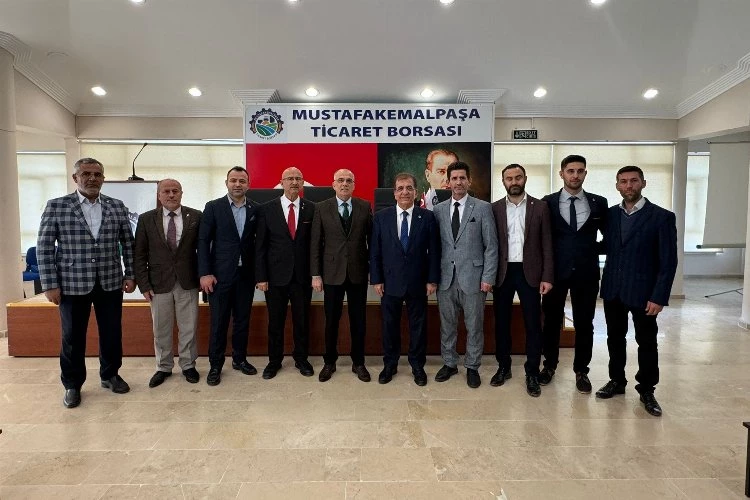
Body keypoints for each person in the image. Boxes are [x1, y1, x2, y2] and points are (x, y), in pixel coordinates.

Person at [37, 157, 135, 408]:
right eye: (86, 174)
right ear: (75, 178)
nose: (92, 178)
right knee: (72, 337)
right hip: (71, 283)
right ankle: (72, 384)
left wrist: (130, 274)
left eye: (97, 174)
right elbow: (45, 247)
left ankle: (110, 375)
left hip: (110, 281)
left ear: (103, 178)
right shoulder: (57, 206)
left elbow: (128, 244)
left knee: (112, 333)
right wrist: (49, 284)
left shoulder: (116, 206)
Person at [596, 165, 677, 417]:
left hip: (644, 293)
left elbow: (668, 261)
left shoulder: (662, 217)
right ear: (617, 186)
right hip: (614, 289)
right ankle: (617, 381)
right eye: (623, 181)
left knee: (647, 341)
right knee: (614, 338)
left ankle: (647, 389)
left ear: (643, 183)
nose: (628, 186)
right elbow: (608, 246)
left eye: (633, 181)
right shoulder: (610, 215)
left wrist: (659, 296)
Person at [539, 155, 608, 394]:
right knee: (551, 323)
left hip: (587, 274)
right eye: (570, 171)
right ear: (562, 174)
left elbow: (610, 237)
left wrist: (590, 250)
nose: (575, 175)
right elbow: (542, 238)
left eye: (580, 171)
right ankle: (549, 366)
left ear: (585, 173)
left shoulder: (599, 202)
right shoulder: (547, 202)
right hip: (555, 274)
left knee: (584, 324)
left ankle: (581, 371)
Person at [370, 172, 440, 386]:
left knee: (418, 327)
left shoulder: (427, 217)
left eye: (409, 188)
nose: (404, 192)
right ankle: (390, 364)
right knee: (389, 326)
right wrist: (377, 279)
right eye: (400, 188)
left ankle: (417, 365)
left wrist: (432, 279)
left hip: (418, 282)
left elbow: (434, 252)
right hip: (389, 282)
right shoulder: (381, 217)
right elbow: (375, 251)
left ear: (416, 192)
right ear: (394, 193)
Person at [433, 161, 498, 388]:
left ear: (469, 181)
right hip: (445, 279)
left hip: (474, 278)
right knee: (447, 326)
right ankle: (449, 363)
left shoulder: (482, 208)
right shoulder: (438, 210)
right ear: (448, 182)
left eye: (462, 178)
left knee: (474, 326)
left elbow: (491, 246)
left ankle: (472, 366)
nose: (458, 182)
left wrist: (488, 277)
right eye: (454, 178)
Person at [491, 164, 554, 397]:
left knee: (533, 324)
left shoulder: (541, 207)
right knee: (502, 323)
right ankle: (503, 367)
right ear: (503, 181)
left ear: (525, 178)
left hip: (531, 273)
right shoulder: (494, 208)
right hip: (503, 273)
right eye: (509, 178)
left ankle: (532, 372)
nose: (514, 181)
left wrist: (547, 276)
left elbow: (547, 244)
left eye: (518, 177)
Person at [134, 178, 202, 388]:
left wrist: (202, 276)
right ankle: (163, 366)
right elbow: (139, 255)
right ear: (159, 195)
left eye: (175, 191)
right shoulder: (146, 219)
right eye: (166, 191)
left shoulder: (196, 216)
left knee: (189, 327)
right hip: (158, 283)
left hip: (187, 281)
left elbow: (203, 251)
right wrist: (144, 285)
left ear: (181, 193)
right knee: (161, 328)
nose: (171, 195)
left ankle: (188, 365)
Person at [198, 166, 259, 386]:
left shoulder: (256, 208)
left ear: (248, 184)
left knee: (242, 320)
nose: (237, 184)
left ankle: (239, 359)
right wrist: (205, 273)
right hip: (219, 276)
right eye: (233, 180)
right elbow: (203, 241)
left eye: (242, 181)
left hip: (246, 276)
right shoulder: (213, 207)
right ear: (226, 183)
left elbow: (259, 243)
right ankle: (215, 365)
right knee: (219, 322)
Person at [311, 169, 373, 383]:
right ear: (333, 184)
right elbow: (315, 243)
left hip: (358, 273)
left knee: (359, 320)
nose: (344, 184)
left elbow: (372, 240)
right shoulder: (321, 208)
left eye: (349, 180)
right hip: (331, 274)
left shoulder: (364, 206)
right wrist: (316, 274)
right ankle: (329, 362)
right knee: (331, 321)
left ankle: (359, 362)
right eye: (340, 180)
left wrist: (373, 270)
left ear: (354, 185)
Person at [255, 167, 315, 379]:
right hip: (275, 277)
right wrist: (261, 276)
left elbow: (315, 244)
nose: (294, 182)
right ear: (282, 182)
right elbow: (260, 246)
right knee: (275, 322)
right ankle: (274, 361)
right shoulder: (266, 209)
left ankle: (301, 359)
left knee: (302, 321)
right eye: (290, 178)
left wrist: (316, 274)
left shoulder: (312, 208)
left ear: (303, 182)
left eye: (298, 178)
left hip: (302, 277)